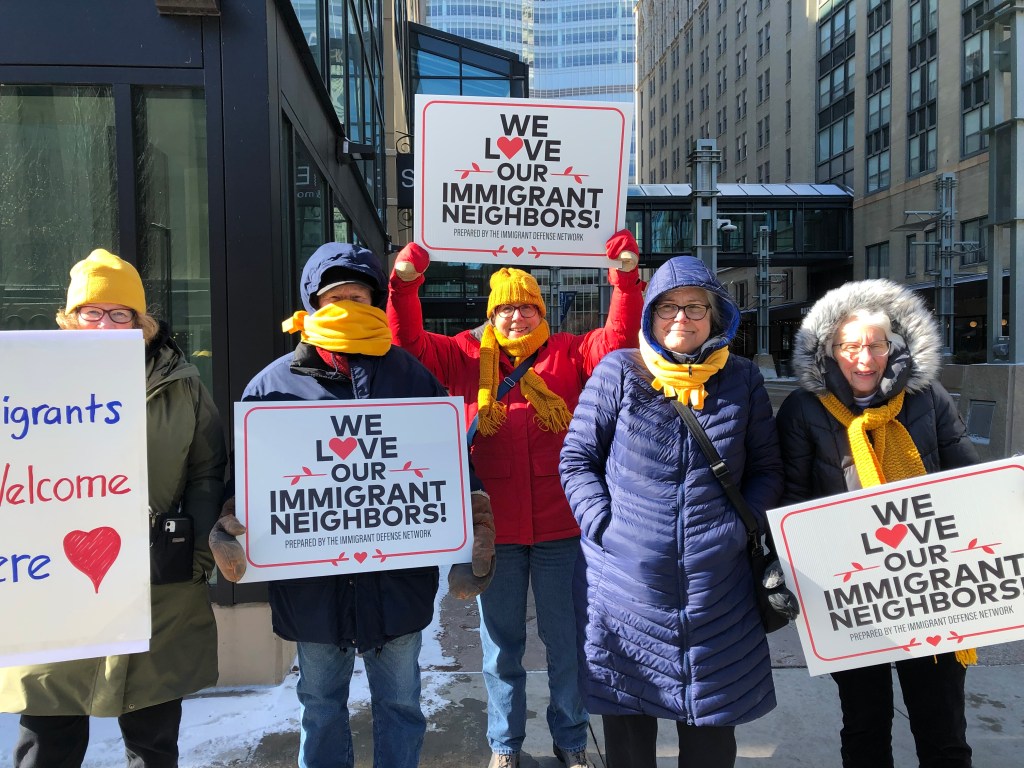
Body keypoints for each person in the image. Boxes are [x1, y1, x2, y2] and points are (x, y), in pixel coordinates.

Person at [207, 242, 496, 768]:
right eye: (335, 296)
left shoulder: (411, 377)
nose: (348, 306)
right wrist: (231, 521)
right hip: (314, 590)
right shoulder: (272, 386)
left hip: (396, 585)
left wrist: (472, 524)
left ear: (375, 302)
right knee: (319, 707)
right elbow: (250, 481)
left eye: (360, 296)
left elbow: (448, 465)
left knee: (402, 704)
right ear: (312, 304)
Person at [386, 233, 643, 768]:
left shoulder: (571, 353)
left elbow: (618, 340)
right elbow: (407, 346)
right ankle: (505, 747)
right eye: (505, 308)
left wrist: (623, 279)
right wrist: (405, 285)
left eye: (527, 307)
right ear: (490, 315)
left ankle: (571, 741)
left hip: (561, 531)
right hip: (493, 534)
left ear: (541, 310)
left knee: (566, 645)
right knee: (501, 648)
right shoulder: (461, 355)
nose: (517, 318)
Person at [0, 249, 228, 767]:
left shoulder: (181, 384)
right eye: (92, 312)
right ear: (70, 318)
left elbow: (206, 470)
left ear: (141, 322)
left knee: (151, 739)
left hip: (155, 586)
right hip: (53, 585)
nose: (105, 323)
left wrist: (193, 554)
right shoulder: (26, 382)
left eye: (120, 314)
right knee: (46, 740)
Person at [558, 255, 783, 768]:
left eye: (695, 307)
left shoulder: (742, 380)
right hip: (626, 587)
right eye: (668, 307)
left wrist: (735, 527)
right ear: (650, 317)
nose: (681, 318)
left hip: (716, 587)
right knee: (629, 731)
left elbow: (768, 468)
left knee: (709, 729)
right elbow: (576, 460)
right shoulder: (618, 371)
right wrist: (606, 526)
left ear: (717, 316)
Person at [775, 279, 979, 768]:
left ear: (895, 347)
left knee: (943, 725)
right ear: (828, 351)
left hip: (930, 584)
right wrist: (786, 563)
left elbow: (967, 476)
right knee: (865, 724)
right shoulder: (804, 410)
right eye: (850, 347)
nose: (864, 359)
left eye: (875, 345)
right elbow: (793, 497)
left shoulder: (928, 399)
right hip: (852, 593)